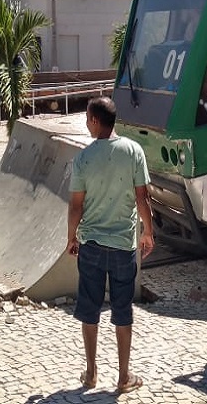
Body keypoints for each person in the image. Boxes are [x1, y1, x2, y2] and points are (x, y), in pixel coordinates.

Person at [67, 96, 155, 394]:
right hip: (122, 245)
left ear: (94, 120)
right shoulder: (133, 151)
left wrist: (71, 237)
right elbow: (143, 198)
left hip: (91, 244)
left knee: (89, 309)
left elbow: (75, 206)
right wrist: (148, 233)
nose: (86, 124)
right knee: (122, 310)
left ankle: (91, 373)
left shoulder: (83, 159)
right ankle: (123, 376)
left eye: (87, 118)